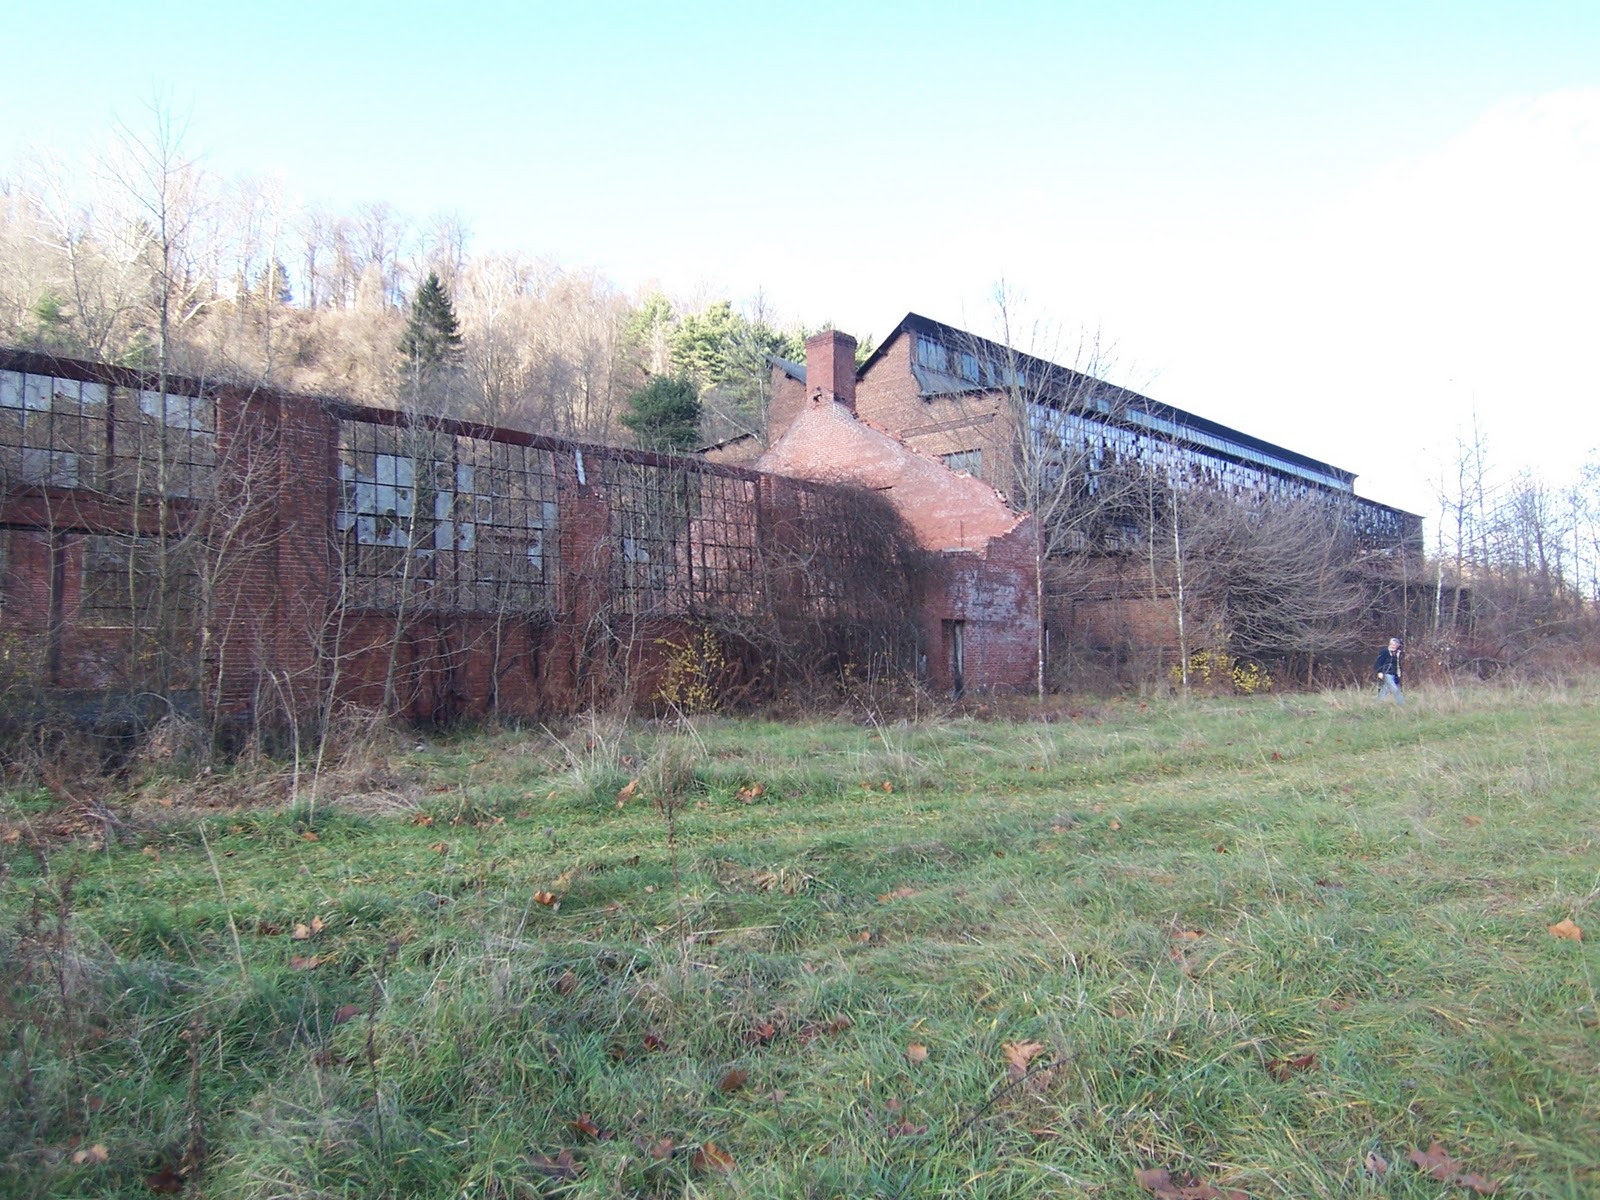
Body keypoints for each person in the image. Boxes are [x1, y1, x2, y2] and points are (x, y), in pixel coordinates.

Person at [1374, 636, 1404, 703]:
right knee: (1395, 689)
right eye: (1392, 644)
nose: (1393, 646)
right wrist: (1379, 672)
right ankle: (1402, 703)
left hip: (1395, 674)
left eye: (1395, 645)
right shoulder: (1385, 652)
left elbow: (1399, 665)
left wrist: (1399, 674)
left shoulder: (1398, 653)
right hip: (1386, 673)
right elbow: (1378, 662)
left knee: (1385, 689)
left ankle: (1378, 703)